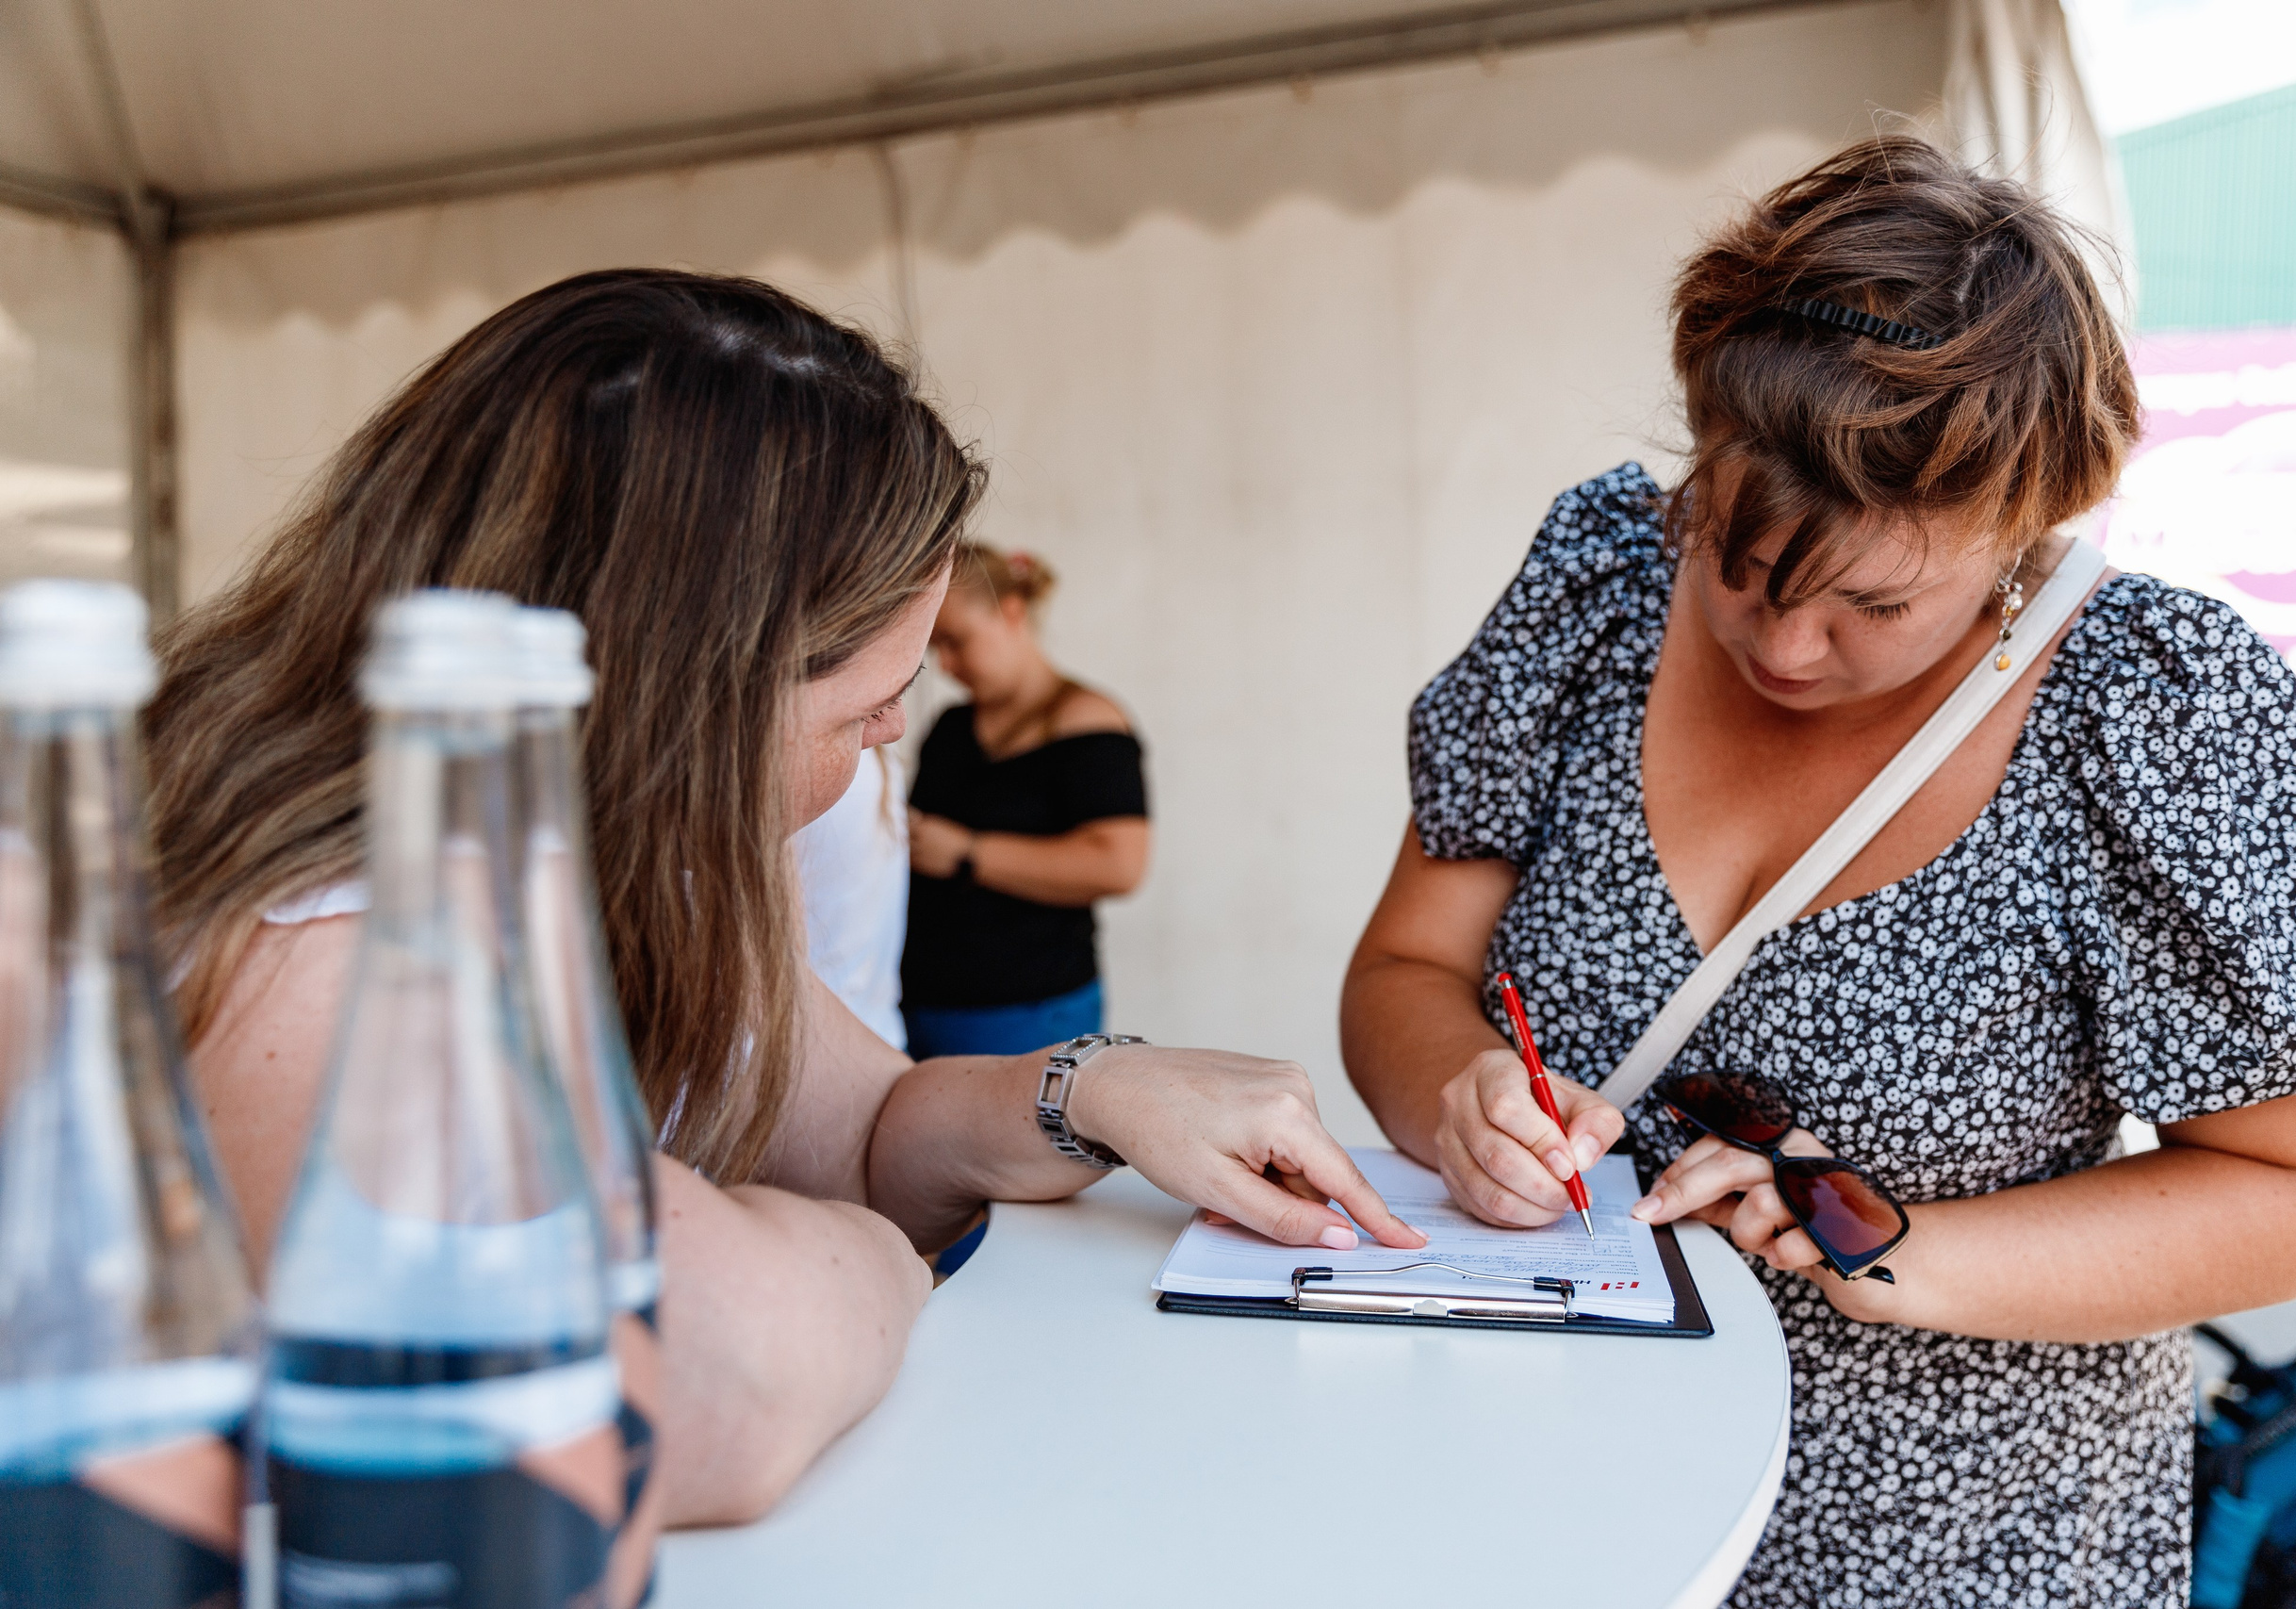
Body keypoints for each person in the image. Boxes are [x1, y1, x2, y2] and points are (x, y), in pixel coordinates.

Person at [147, 268, 1423, 1531]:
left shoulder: (624, 852)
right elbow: (714, 1380)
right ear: (688, 687)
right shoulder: (306, 934)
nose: (890, 740)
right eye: (866, 710)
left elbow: (865, 1129)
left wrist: (1094, 1087)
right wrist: (863, 1257)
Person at [1340, 137, 2296, 1608]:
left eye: (1878, 600)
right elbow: (1405, 969)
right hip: (1569, 1495)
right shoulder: (1600, 580)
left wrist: (1905, 1251)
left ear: (2023, 528)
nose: (1785, 645)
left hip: (1962, 1544)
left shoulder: (2146, 706)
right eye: (1736, 555)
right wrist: (1459, 1095)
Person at [901, 545, 1147, 1057]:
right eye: (933, 649)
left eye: (956, 641)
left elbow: (1119, 866)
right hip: (920, 1001)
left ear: (1011, 612)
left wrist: (966, 853)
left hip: (1031, 1007)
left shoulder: (1089, 722)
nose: (946, 665)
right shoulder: (950, 728)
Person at [797, 745, 910, 1050]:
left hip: (818, 1048)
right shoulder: (870, 757)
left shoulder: (816, 766)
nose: (895, 727)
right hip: (873, 1031)